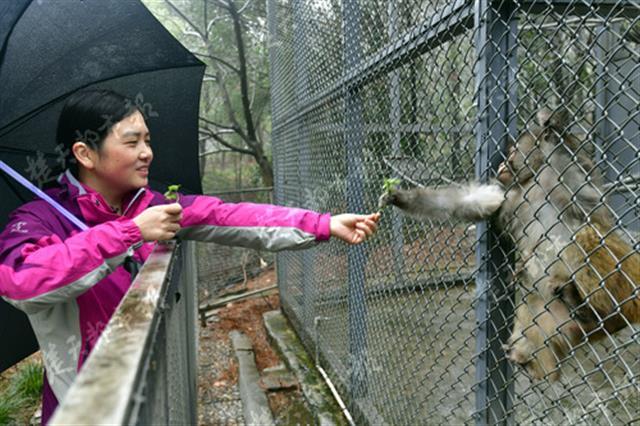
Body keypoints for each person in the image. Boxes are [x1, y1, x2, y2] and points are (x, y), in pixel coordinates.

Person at [0, 89, 380, 425]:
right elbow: (19, 282)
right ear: (85, 153)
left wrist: (323, 224)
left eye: (147, 140)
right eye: (131, 142)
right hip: (87, 408)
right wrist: (130, 233)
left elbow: (226, 215)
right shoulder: (38, 219)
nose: (147, 152)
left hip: (155, 392)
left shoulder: (151, 205)